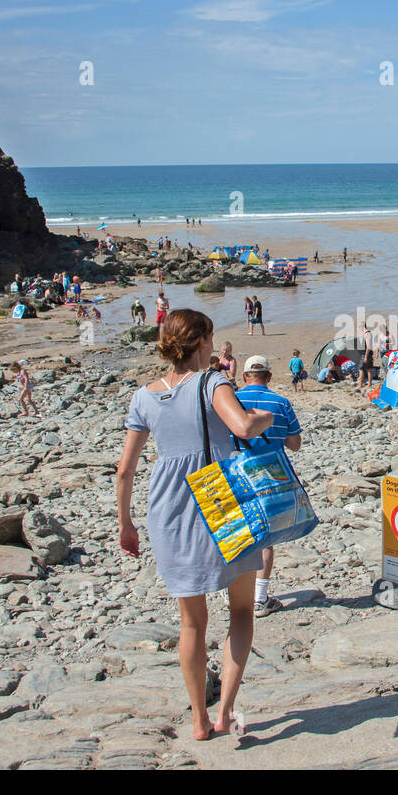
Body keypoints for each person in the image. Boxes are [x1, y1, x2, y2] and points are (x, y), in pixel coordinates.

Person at [116, 310, 274, 739]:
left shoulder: (144, 397)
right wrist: (267, 418)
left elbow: (125, 471)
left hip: (168, 507)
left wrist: (125, 524)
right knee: (240, 609)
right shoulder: (213, 383)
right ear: (202, 342)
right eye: (211, 339)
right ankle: (224, 710)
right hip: (220, 497)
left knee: (191, 623)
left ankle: (198, 720)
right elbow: (241, 424)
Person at [234, 355, 302, 618]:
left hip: (237, 472)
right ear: (270, 377)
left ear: (244, 377)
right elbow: (295, 445)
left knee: (239, 534)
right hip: (272, 476)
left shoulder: (232, 402)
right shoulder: (281, 403)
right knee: (265, 539)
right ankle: (259, 599)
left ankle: (237, 595)